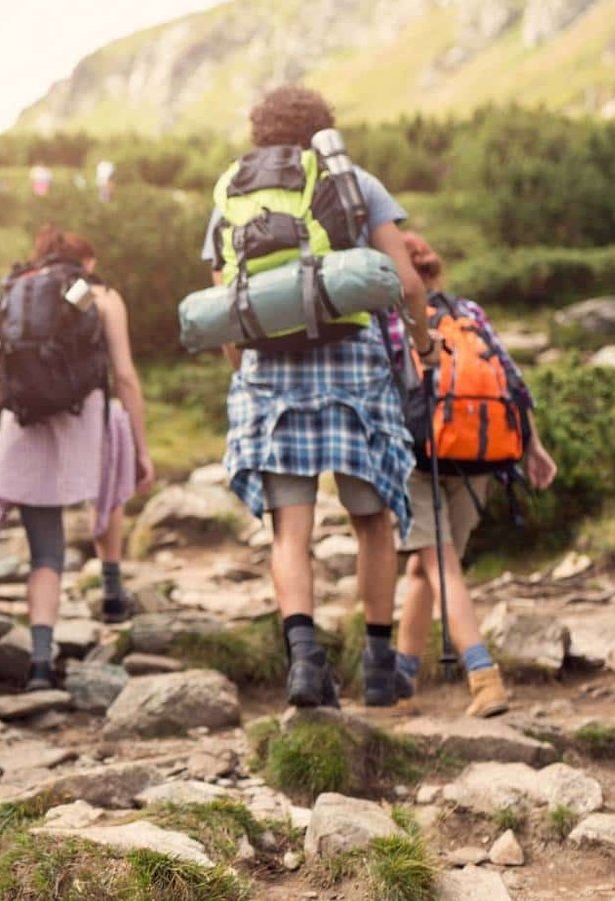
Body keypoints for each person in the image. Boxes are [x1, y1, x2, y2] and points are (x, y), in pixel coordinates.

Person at [200, 85, 435, 709]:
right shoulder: (352, 179)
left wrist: (245, 371)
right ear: (321, 127)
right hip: (352, 369)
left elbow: (226, 303)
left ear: (259, 132)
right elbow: (408, 282)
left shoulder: (232, 190)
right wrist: (424, 345)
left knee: (290, 530)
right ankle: (379, 668)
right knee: (372, 521)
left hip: (270, 375)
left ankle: (305, 665)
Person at [0, 226, 156, 690]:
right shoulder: (100, 296)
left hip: (24, 430)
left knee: (46, 553)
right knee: (111, 471)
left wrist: (32, 401)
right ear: (86, 262)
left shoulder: (15, 295)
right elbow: (125, 377)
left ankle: (40, 664)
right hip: (84, 427)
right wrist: (141, 448)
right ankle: (112, 590)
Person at [389, 230, 558, 717]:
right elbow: (512, 381)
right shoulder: (469, 312)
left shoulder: (390, 319)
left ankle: (485, 680)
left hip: (417, 455)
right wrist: (532, 447)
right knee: (426, 569)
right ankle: (402, 683)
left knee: (440, 567)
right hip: (477, 454)